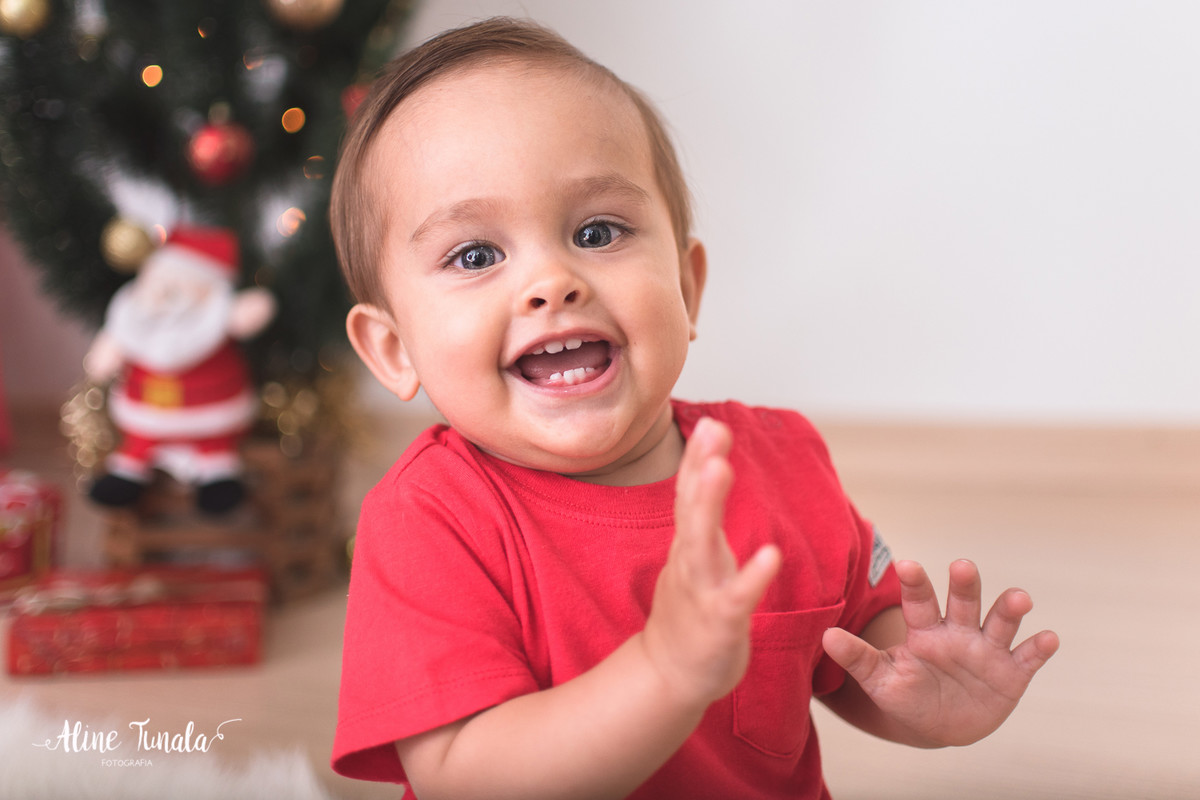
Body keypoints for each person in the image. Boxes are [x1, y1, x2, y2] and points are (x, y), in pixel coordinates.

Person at [330, 17, 1059, 800]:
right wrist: (663, 674)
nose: (551, 280)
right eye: (475, 255)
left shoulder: (782, 462)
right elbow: (464, 775)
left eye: (597, 230)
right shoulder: (428, 520)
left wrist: (929, 703)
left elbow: (855, 660)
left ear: (686, 286)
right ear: (393, 349)